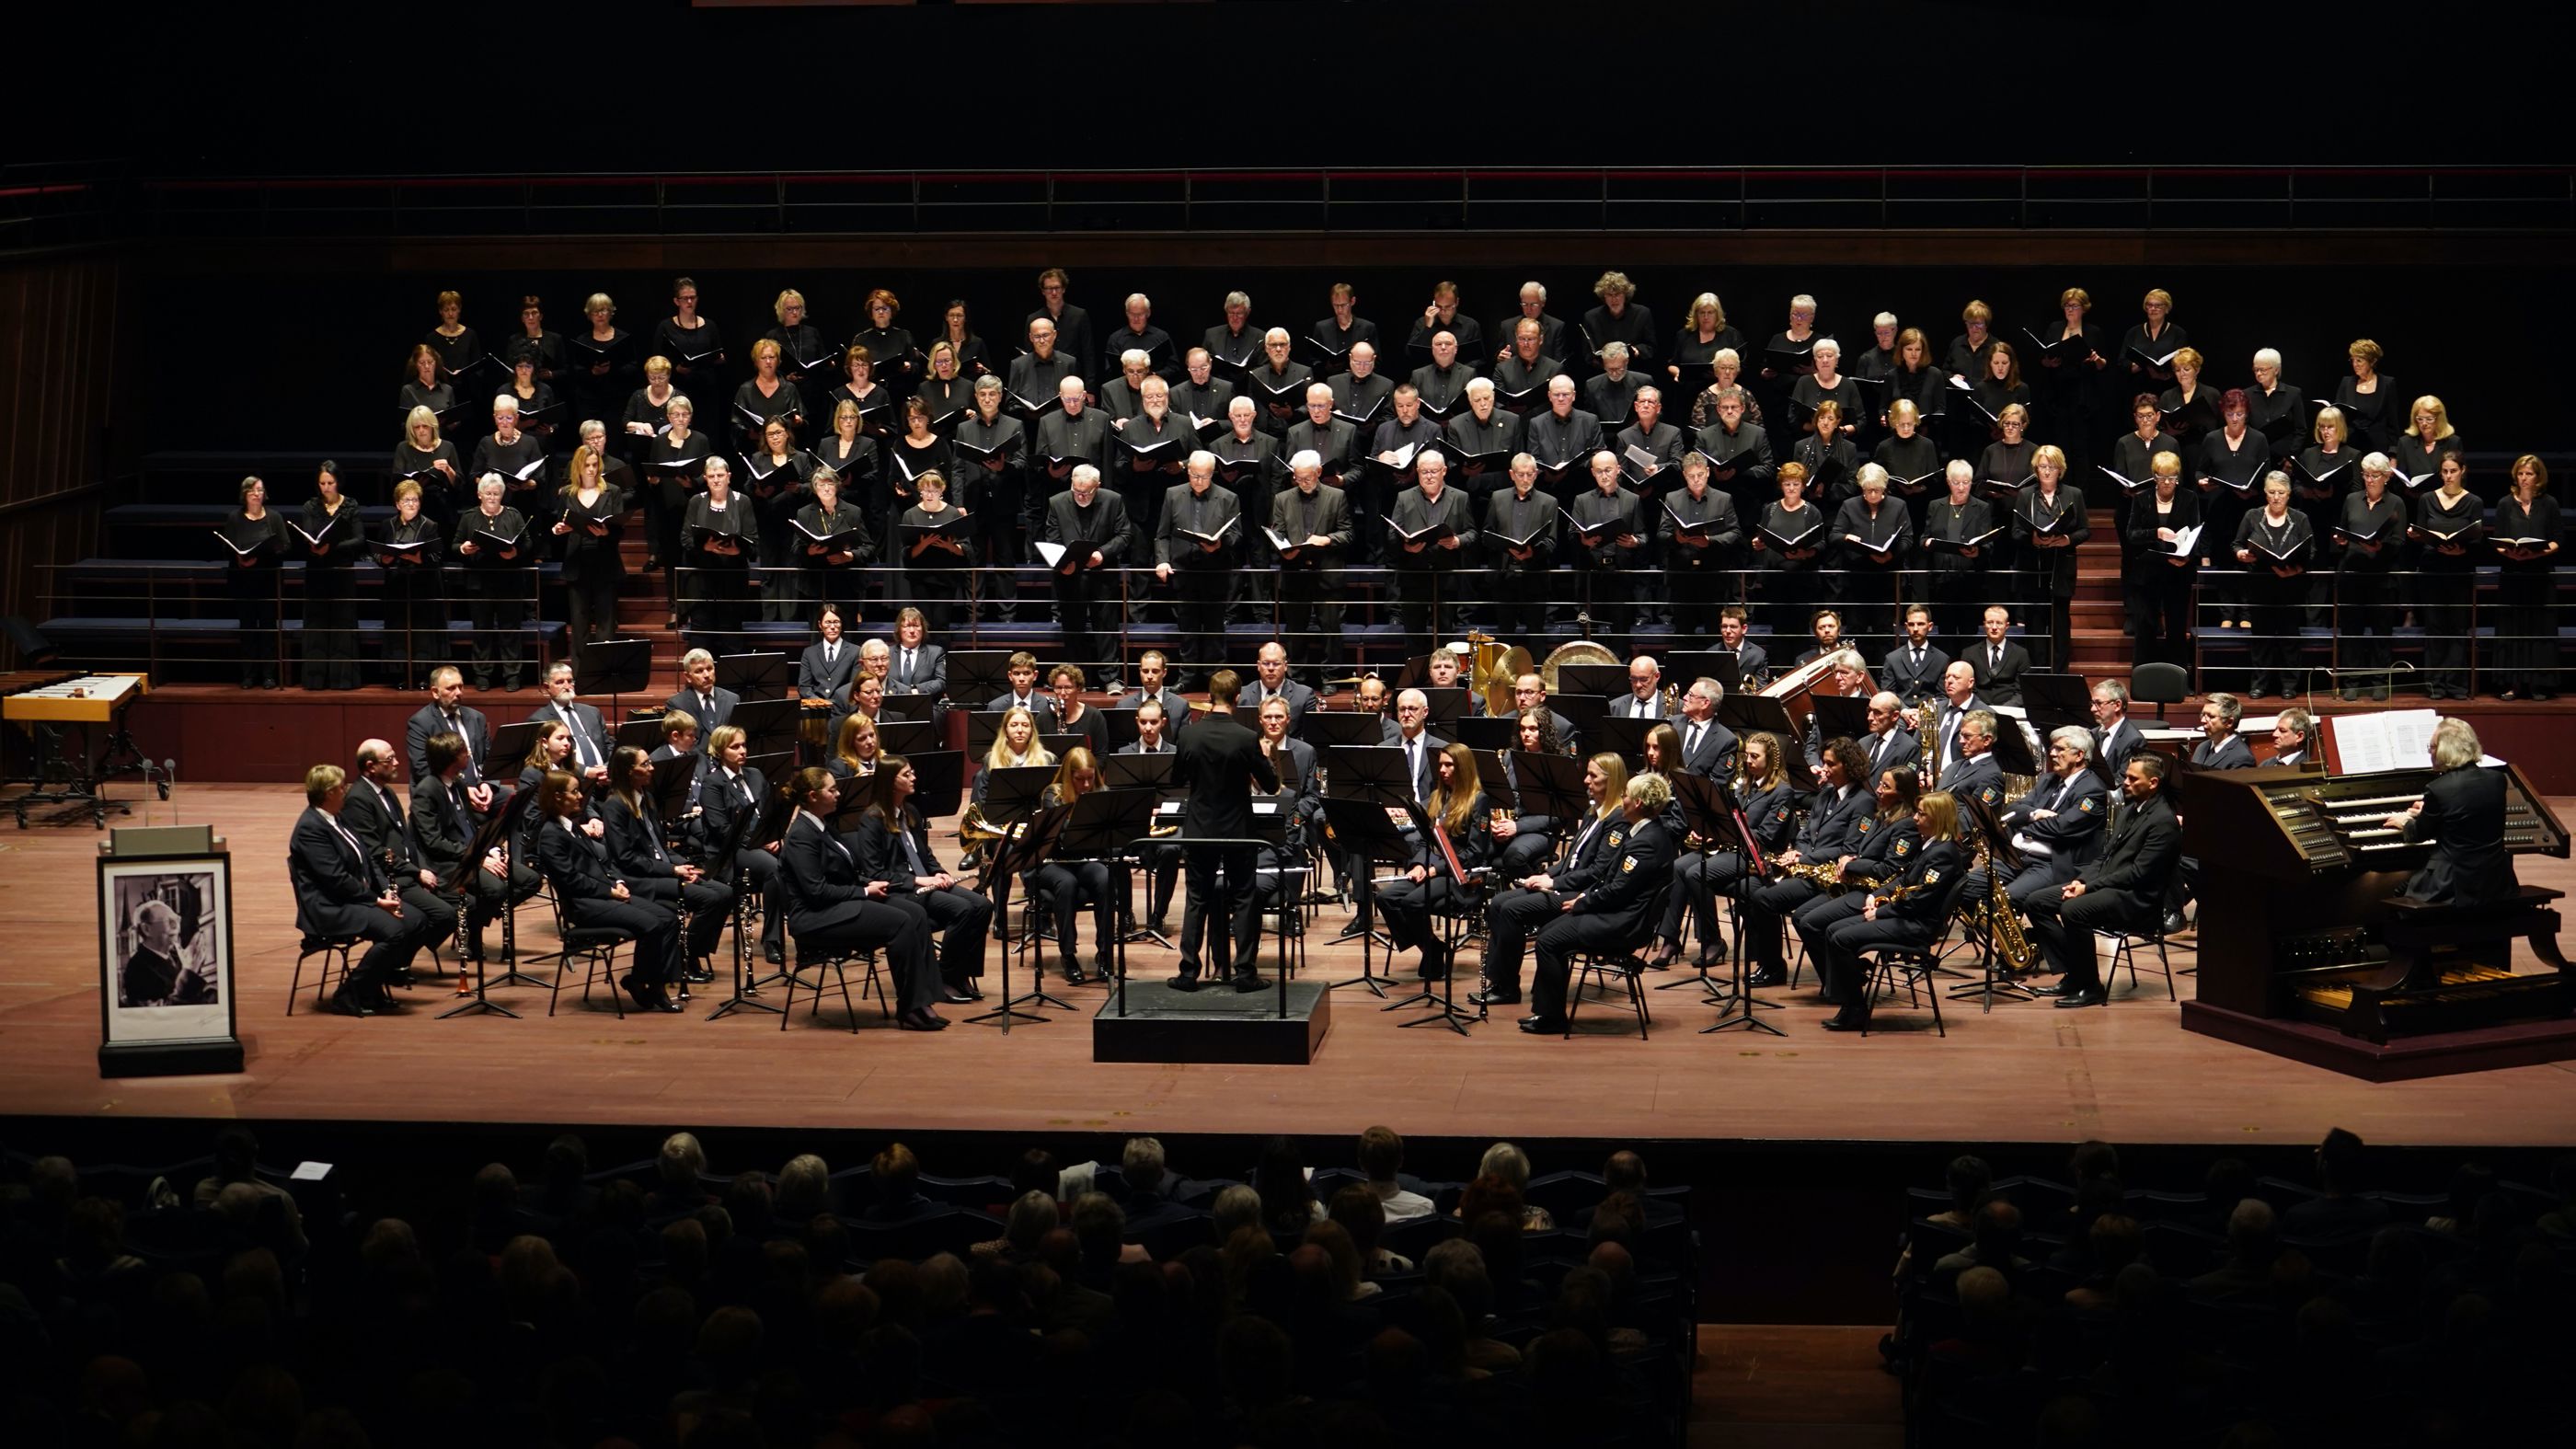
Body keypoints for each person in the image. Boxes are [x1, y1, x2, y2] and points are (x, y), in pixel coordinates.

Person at [777, 768, 946, 1029]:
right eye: (831, 790)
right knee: (901, 921)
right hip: (816, 918)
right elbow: (816, 892)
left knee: (915, 913)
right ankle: (909, 1007)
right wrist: (865, 892)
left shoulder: (823, 826)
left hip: (840, 904)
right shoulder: (802, 835)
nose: (838, 794)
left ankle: (924, 1000)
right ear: (812, 796)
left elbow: (845, 875)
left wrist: (869, 883)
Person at [1521, 772, 1678, 1034]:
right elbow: (1614, 881)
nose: (1622, 798)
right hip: (1618, 912)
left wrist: (1583, 903)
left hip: (1623, 923)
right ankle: (1546, 1011)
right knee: (1549, 932)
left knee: (1548, 941)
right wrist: (1585, 897)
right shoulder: (1644, 832)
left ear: (1638, 803)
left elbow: (1619, 891)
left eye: (1626, 794)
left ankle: (1552, 1017)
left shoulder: (1647, 842)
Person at [1472, 753, 1630, 1010]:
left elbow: (1597, 872)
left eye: (1593, 776)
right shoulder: (1593, 812)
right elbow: (1571, 860)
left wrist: (1554, 884)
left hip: (1579, 894)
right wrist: (1548, 874)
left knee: (1512, 910)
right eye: (1587, 774)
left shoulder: (1617, 819)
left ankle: (1508, 987)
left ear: (1611, 781)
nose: (1586, 780)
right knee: (1499, 902)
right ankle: (1500, 982)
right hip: (1566, 883)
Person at [1158, 669, 1282, 992]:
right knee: (1243, 899)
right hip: (1238, 830)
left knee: (1196, 900)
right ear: (1238, 698)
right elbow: (1270, 787)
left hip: (1199, 829)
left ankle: (1188, 973)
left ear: (1210, 698)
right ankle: (1245, 974)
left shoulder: (1188, 735)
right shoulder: (1245, 737)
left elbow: (1175, 780)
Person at [2027, 753, 2180, 1008]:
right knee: (2036, 902)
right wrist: (2080, 881)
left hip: (2137, 899)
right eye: (2125, 777)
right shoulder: (2131, 809)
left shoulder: (2163, 821)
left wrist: (2088, 888)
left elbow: (2138, 874)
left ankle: (2090, 986)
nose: (2125, 783)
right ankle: (2074, 974)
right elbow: (2104, 857)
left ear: (2153, 783)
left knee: (2073, 909)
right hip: (2111, 887)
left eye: (2133, 779)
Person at [1816, 789, 1970, 1032]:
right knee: (1833, 929)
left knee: (1841, 939)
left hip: (1917, 925)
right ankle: (1850, 996)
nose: (1915, 818)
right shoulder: (1930, 845)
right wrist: (1876, 895)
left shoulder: (1943, 854)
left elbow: (1918, 901)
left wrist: (1880, 913)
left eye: (1921, 814)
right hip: (1906, 916)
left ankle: (1854, 1007)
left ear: (1937, 818)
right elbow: (1904, 879)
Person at [292, 764, 433, 1017]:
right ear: (327, 793)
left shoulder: (339, 817)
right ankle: (349, 994)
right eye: (340, 788)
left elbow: (367, 860)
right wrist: (377, 901)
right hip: (329, 906)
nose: (345, 791)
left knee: (417, 921)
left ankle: (372, 985)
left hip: (355, 898)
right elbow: (336, 880)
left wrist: (386, 892)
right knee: (395, 931)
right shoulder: (310, 829)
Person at [854, 755, 994, 1003]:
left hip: (926, 885)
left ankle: (962, 974)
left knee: (983, 905)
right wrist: (918, 881)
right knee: (962, 909)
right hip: (902, 892)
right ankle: (945, 977)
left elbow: (925, 855)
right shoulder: (872, 820)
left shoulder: (911, 812)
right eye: (906, 774)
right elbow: (874, 872)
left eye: (912, 772)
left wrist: (940, 873)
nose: (914, 778)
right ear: (889, 781)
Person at [1742, 739, 1876, 985]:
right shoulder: (1825, 794)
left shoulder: (1863, 801)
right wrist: (1796, 852)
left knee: (1764, 898)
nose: (1823, 768)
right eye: (1823, 762)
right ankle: (1835, 971)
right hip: (1805, 868)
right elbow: (1806, 833)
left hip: (1830, 877)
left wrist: (1805, 858)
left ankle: (1784, 969)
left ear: (1848, 766)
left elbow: (1849, 848)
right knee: (1754, 892)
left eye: (1830, 764)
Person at [599, 747, 732, 983]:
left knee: (725, 892)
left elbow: (660, 847)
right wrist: (673, 871)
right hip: (639, 879)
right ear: (630, 771)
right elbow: (626, 858)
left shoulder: (647, 798)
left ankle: (692, 952)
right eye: (645, 764)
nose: (652, 768)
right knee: (709, 899)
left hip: (662, 871)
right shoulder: (615, 806)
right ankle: (686, 957)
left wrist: (684, 866)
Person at [1377, 742, 1494, 983]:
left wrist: (1434, 869)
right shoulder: (1437, 796)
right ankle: (1432, 946)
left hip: (1460, 876)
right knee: (1386, 898)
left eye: (1449, 765)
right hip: (1431, 868)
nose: (1442, 770)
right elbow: (1422, 841)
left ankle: (1432, 952)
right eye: (1440, 764)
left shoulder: (1479, 800)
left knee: (1412, 902)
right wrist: (1419, 865)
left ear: (1462, 768)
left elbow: (1474, 852)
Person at [339, 739, 460, 966]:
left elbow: (406, 840)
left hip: (410, 871)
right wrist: (416, 873)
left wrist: (422, 868)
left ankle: (399, 958)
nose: (396, 762)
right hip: (393, 878)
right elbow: (374, 852)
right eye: (389, 759)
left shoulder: (387, 793)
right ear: (370, 766)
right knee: (442, 915)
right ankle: (395, 964)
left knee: (467, 902)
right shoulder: (358, 799)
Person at [1030, 747, 1118, 985]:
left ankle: (1105, 953)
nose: (1087, 785)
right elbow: (1058, 837)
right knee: (1066, 883)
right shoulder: (1053, 795)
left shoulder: (1102, 792)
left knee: (1105, 878)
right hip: (1054, 862)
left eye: (1091, 778)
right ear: (1069, 777)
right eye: (1080, 780)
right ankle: (1068, 954)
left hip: (1085, 860)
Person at [698, 724, 784, 966]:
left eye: (744, 745)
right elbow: (721, 829)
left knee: (800, 858)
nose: (742, 750)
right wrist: (759, 842)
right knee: (774, 869)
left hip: (762, 844)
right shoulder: (712, 783)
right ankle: (772, 940)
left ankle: (807, 932)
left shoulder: (755, 775)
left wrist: (776, 837)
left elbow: (771, 814)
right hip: (730, 852)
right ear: (720, 750)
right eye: (735, 746)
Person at [1154, 451, 1240, 683]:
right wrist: (1162, 560)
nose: (1197, 480)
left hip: (1215, 572)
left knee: (1214, 630)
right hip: (1184, 572)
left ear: (1212, 474)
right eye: (1193, 474)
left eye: (1203, 476)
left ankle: (1216, 681)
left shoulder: (1227, 497)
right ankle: (1187, 678)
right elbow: (1162, 535)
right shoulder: (1173, 494)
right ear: (1187, 470)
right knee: (1188, 630)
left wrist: (1219, 544)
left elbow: (1236, 536)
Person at [1042, 463, 1133, 682]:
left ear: (1098, 486)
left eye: (1087, 492)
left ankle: (1110, 678)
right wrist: (1063, 563)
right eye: (1077, 491)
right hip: (1069, 576)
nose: (1081, 496)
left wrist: (1102, 553)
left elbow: (1124, 535)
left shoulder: (1113, 500)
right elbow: (1052, 538)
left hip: (1102, 574)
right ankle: (1076, 679)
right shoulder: (1057, 502)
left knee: (1106, 628)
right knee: (1073, 629)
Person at [1271, 451, 1351, 683]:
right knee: (1296, 632)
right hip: (1295, 573)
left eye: (1308, 478)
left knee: (1331, 631)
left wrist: (1327, 539)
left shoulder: (1337, 496)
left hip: (1327, 573)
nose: (1302, 482)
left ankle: (1330, 679)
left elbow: (1347, 533)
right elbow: (1277, 534)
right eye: (1298, 478)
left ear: (1318, 473)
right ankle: (1296, 679)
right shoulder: (1282, 498)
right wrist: (1284, 548)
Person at [1387, 451, 1477, 657]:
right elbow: (1392, 535)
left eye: (1434, 471)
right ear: (1417, 472)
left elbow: (1472, 533)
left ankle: (1444, 682)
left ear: (1444, 471)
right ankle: (1416, 681)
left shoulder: (1460, 498)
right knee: (1414, 633)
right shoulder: (1404, 497)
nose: (1429, 476)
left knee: (1446, 633)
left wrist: (1457, 541)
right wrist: (1406, 546)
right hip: (1413, 575)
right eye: (1424, 471)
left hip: (1446, 575)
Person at [2332, 454, 2408, 699]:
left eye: (2375, 475)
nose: (2370, 480)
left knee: (2381, 632)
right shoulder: (2352, 499)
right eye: (2366, 475)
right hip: (2353, 575)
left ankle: (2379, 681)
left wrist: (2380, 548)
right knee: (2352, 633)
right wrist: (2341, 541)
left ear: (2386, 477)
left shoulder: (2396, 502)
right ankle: (2351, 681)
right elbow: (2342, 530)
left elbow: (2399, 542)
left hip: (2382, 578)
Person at [2233, 473, 2314, 697]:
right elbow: (2237, 543)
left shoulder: (2300, 519)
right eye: (2271, 492)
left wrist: (2295, 569)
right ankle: (2259, 684)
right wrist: (2240, 554)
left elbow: (2312, 551)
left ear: (2289, 494)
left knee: (2289, 638)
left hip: (2290, 588)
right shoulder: (2252, 515)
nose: (2276, 497)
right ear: (2265, 493)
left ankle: (2289, 685)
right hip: (2260, 586)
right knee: (2261, 639)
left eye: (2281, 493)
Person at [452, 473, 532, 691]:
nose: (492, 498)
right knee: (482, 630)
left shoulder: (513, 515)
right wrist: (463, 549)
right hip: (479, 582)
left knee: (510, 631)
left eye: (496, 494)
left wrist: (515, 552)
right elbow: (455, 544)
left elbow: (527, 543)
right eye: (488, 494)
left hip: (509, 581)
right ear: (479, 495)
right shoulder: (469, 517)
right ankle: (483, 675)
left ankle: (512, 675)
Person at [2491, 454, 2561, 700]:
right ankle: (2513, 683)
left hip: (2540, 576)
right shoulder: (2504, 504)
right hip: (2513, 574)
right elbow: (2498, 541)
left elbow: (2556, 540)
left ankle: (2538, 684)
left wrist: (2534, 555)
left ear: (2538, 477)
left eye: (2529, 474)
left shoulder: (2549, 503)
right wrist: (2511, 553)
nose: (2524, 478)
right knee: (2513, 629)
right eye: (2520, 473)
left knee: (2538, 629)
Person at [2124, 451, 2200, 676]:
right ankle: (2143, 677)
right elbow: (2132, 534)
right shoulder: (2142, 498)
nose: (2167, 483)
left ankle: (2177, 677)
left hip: (2177, 571)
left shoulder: (2189, 498)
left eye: (2172, 477)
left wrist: (2187, 556)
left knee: (2176, 627)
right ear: (2154, 477)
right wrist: (2156, 532)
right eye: (2162, 477)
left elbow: (2195, 533)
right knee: (2146, 627)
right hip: (2148, 572)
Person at [292, 462, 364, 691]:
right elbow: (309, 535)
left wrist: (333, 547)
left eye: (330, 483)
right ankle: (315, 679)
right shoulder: (311, 506)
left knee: (343, 625)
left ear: (338, 482)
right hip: (317, 573)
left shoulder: (350, 505)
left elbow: (359, 538)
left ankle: (343, 680)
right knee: (316, 625)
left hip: (342, 571)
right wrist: (315, 545)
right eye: (322, 483)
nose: (326, 488)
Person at [2014, 446, 2087, 671]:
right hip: (2033, 569)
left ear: (2060, 469)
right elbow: (2016, 531)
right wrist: (2033, 539)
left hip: (2060, 568)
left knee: (2060, 627)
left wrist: (2067, 539)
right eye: (2042, 467)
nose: (2047, 472)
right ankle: (2037, 674)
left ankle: (2059, 676)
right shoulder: (2026, 495)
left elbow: (2085, 530)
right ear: (2036, 469)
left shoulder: (2073, 494)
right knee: (2035, 627)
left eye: (2052, 467)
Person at [1661, 450, 1744, 640]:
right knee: (1683, 635)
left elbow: (1735, 533)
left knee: (1715, 634)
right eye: (1691, 476)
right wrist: (1677, 539)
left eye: (1700, 475)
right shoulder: (1672, 498)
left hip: (1713, 576)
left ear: (1708, 472)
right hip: (1682, 576)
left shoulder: (1723, 498)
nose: (1696, 480)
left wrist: (1710, 541)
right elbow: (1662, 533)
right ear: (1684, 475)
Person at [1569, 450, 1646, 644]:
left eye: (1608, 470)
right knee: (1588, 635)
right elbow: (1571, 534)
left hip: (1620, 575)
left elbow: (1643, 534)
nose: (1604, 475)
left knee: (1620, 633)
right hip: (1591, 577)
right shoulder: (1582, 500)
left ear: (1618, 470)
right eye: (1599, 471)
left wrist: (1635, 542)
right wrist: (1583, 541)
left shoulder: (1632, 499)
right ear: (1593, 473)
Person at [680, 458, 754, 642]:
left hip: (732, 581)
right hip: (702, 581)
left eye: (720, 475)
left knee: (731, 638)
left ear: (729, 477)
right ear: (705, 478)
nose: (716, 480)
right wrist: (704, 547)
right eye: (711, 476)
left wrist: (736, 551)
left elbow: (753, 542)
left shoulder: (742, 501)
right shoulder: (696, 501)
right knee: (701, 638)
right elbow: (685, 538)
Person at [1750, 461, 1825, 637]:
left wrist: (1805, 553)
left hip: (1802, 579)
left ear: (1803, 486)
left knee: (1800, 630)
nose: (1791, 488)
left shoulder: (1812, 511)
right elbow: (1762, 536)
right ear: (1781, 485)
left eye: (1796, 484)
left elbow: (1821, 544)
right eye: (1787, 484)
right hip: (1775, 578)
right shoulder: (1771, 509)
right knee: (1778, 629)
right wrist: (1757, 543)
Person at [895, 470, 972, 631]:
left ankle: (940, 657)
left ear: (941, 491)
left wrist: (948, 546)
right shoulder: (910, 514)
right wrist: (924, 544)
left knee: (941, 623)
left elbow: (966, 550)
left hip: (946, 577)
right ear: (920, 491)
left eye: (934, 491)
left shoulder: (953, 513)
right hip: (920, 578)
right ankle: (925, 656)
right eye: (926, 490)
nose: (930, 495)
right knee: (925, 624)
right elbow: (906, 554)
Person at [731, 337, 805, 455]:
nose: (768, 362)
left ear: (778, 361)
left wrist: (798, 422)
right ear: (756, 361)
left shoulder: (789, 388)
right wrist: (748, 434)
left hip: (785, 452)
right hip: (755, 452)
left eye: (772, 357)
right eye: (763, 358)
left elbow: (801, 422)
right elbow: (736, 425)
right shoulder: (745, 389)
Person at [2331, 338, 2402, 454]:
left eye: (2359, 361)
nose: (2355, 364)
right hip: (2350, 447)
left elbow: (2392, 421)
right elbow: (2338, 416)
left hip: (2378, 448)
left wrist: (2393, 453)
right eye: (2352, 360)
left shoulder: (2387, 384)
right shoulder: (2346, 383)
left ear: (2372, 361)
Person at [798, 605, 860, 719]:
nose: (832, 627)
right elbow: (804, 687)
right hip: (816, 711)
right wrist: (818, 702)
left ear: (842, 625)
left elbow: (853, 686)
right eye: (828, 622)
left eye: (836, 622)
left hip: (843, 711)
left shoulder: (855, 651)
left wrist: (835, 703)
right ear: (820, 625)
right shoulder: (809, 653)